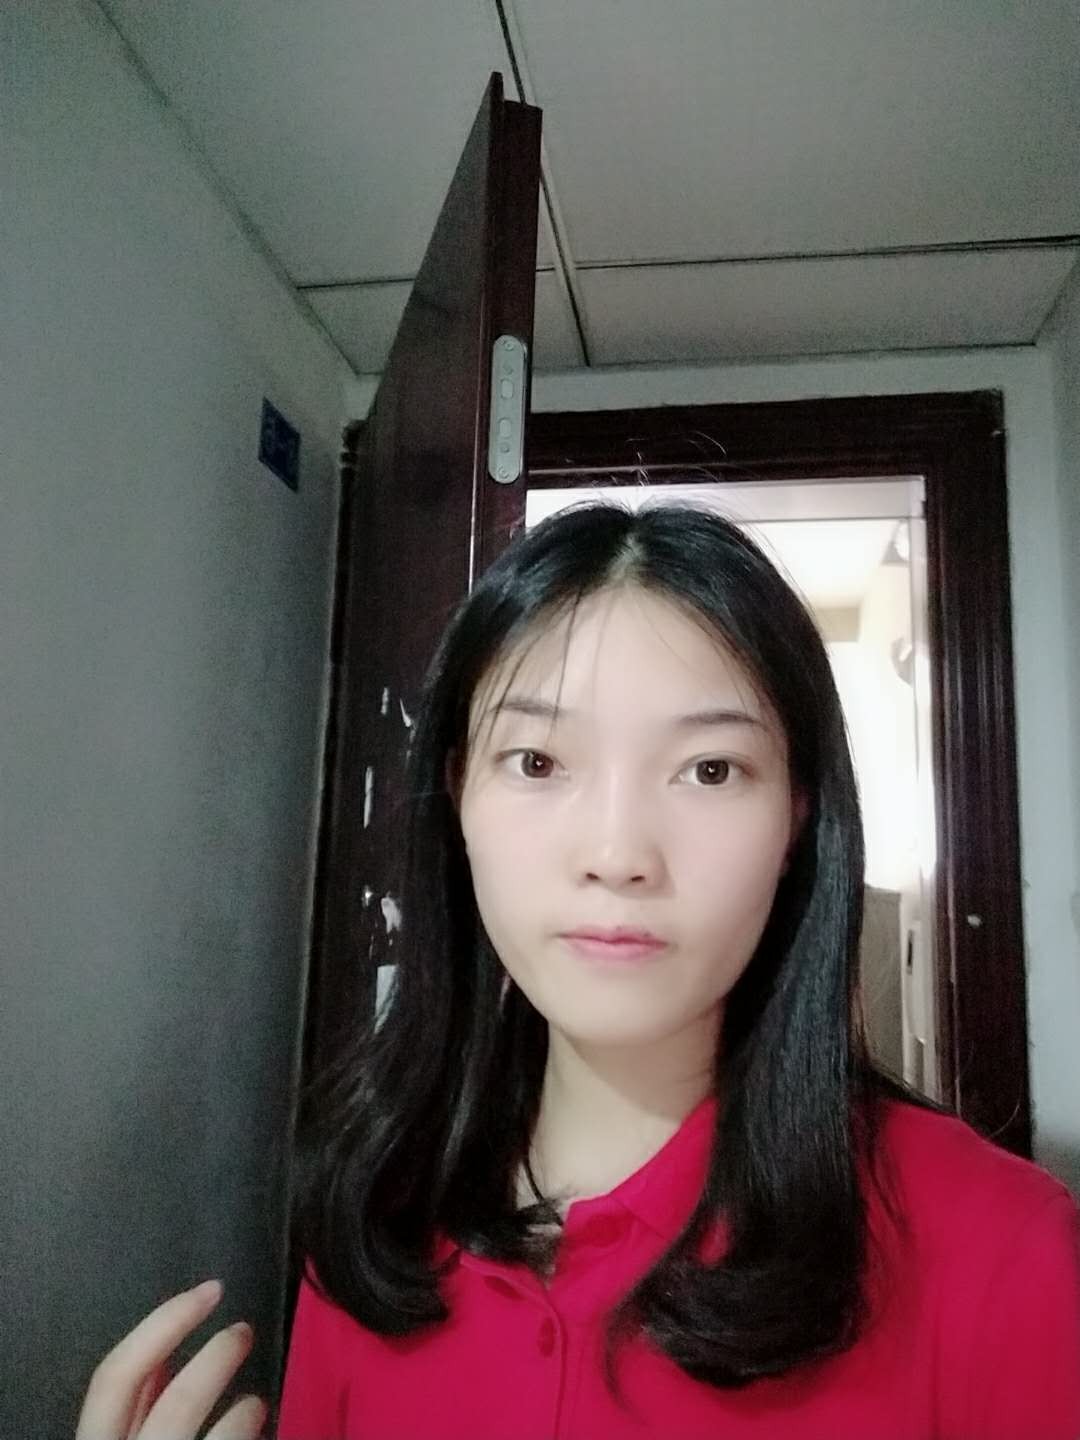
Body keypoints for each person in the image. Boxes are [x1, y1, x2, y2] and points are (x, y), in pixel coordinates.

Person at [78, 502, 1080, 1440]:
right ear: (456, 796)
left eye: (711, 769)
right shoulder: (380, 1213)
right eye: (538, 762)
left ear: (798, 818)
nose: (616, 854)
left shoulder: (1004, 1256)